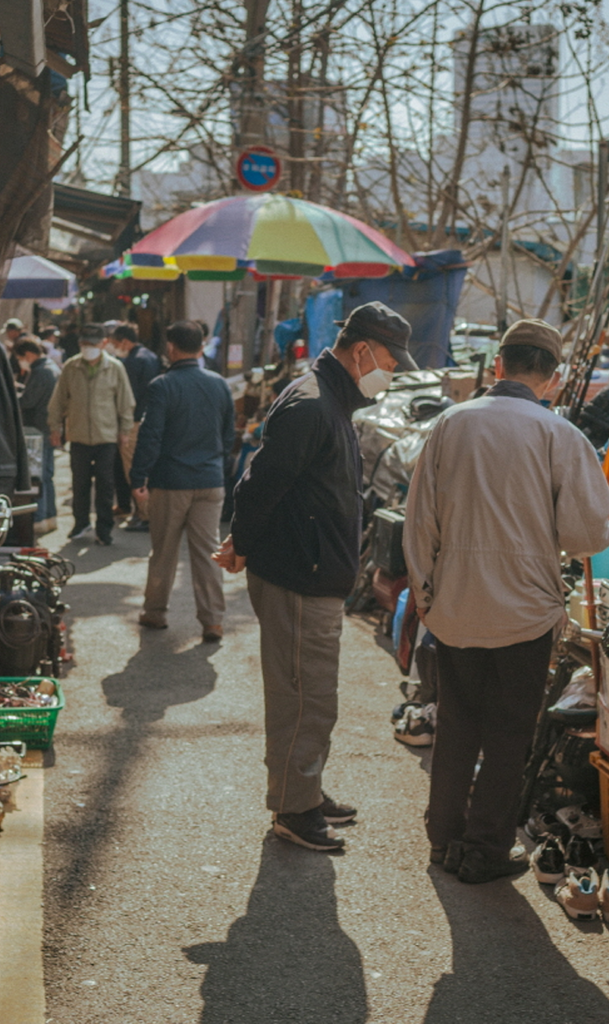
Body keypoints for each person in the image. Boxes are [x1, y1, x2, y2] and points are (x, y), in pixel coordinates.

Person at [402, 319, 609, 884]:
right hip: (524, 613)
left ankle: (443, 837)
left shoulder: (450, 423)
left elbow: (417, 520)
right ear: (552, 376)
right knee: (506, 734)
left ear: (498, 365)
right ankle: (486, 849)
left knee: (457, 724)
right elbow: (590, 536)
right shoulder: (558, 434)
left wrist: (426, 596)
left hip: (453, 606)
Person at [214, 302, 418, 852]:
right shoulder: (313, 403)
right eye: (390, 364)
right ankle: (293, 806)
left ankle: (303, 788)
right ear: (361, 352)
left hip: (311, 572)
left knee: (313, 695)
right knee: (303, 696)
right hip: (299, 575)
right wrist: (241, 543)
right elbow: (259, 485)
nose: (391, 374)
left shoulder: (329, 399)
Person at [131, 320, 235, 642]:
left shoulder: (162, 385)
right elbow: (229, 435)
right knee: (207, 553)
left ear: (171, 348)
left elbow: (151, 436)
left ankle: (155, 612)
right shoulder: (220, 384)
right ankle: (213, 621)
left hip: (171, 481)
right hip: (211, 481)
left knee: (164, 551)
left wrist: (138, 477)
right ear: (202, 346)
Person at [47, 324, 135, 544]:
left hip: (106, 437)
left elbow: (125, 403)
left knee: (105, 485)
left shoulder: (115, 368)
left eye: (93, 344)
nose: (89, 348)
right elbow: (58, 401)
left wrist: (125, 431)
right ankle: (80, 523)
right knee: (80, 484)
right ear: (80, 344)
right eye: (85, 344)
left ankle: (104, 529)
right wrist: (54, 427)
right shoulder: (71, 367)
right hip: (78, 436)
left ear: (104, 344)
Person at [110, 322, 161, 531]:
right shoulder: (151, 356)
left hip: (134, 421)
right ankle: (145, 512)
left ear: (124, 341)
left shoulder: (132, 362)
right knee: (145, 465)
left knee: (133, 467)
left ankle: (145, 514)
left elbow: (127, 396)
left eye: (116, 343)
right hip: (150, 417)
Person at [14, 338, 61, 535]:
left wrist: (15, 395)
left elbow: (28, 401)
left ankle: (40, 517)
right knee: (46, 475)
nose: (21, 363)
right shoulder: (50, 367)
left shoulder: (42, 371)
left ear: (29, 355)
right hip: (46, 427)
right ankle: (49, 516)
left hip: (39, 429)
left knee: (38, 476)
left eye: (20, 359)